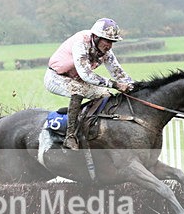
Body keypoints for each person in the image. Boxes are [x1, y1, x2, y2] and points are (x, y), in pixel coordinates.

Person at [45, 18, 135, 149]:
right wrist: (115, 85)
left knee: (106, 95)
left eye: (112, 42)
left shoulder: (106, 52)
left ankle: (90, 126)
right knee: (78, 90)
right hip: (56, 77)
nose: (109, 45)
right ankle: (70, 136)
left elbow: (118, 73)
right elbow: (86, 74)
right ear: (96, 37)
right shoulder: (81, 42)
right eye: (107, 41)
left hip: (77, 79)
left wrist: (136, 87)